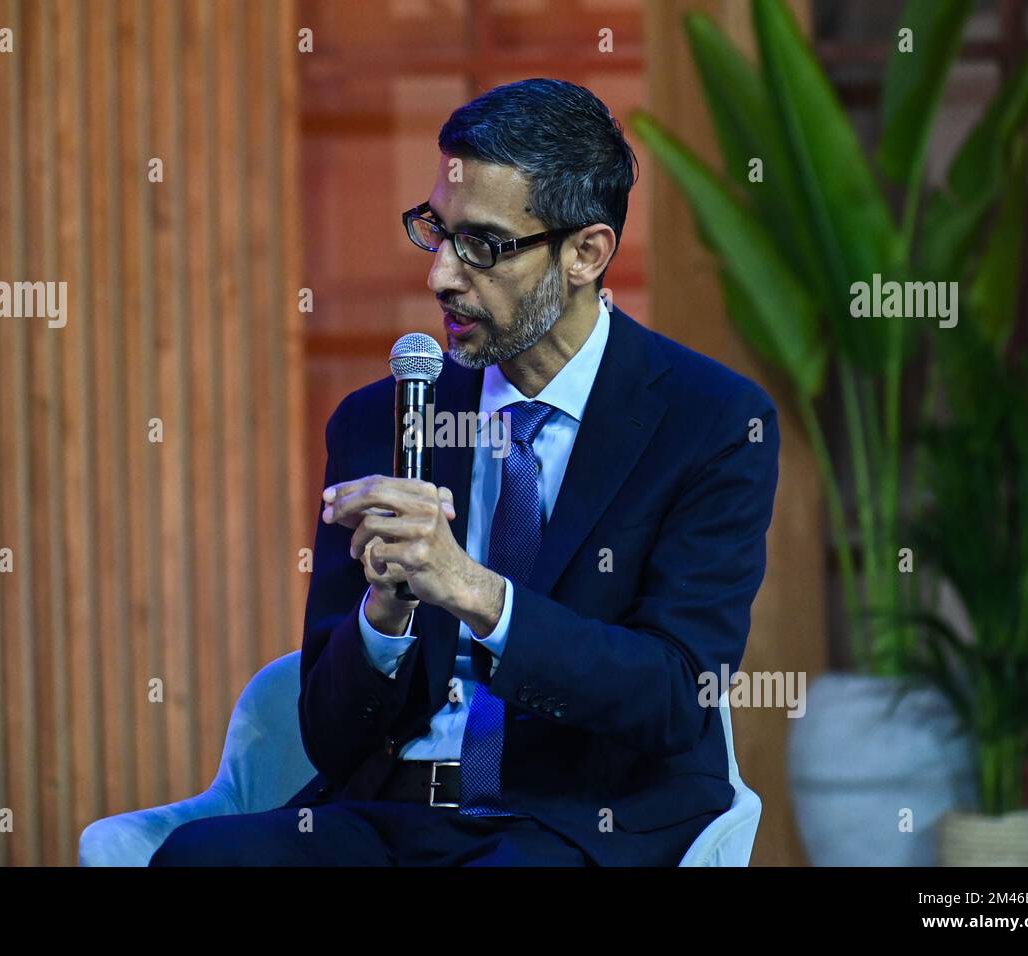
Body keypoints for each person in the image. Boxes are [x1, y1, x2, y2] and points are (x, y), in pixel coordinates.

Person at [150, 77, 779, 867]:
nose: (442, 276)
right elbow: (329, 732)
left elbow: (671, 693)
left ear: (585, 253)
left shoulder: (709, 420)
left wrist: (476, 593)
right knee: (199, 860)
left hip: (579, 823)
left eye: (482, 245)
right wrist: (384, 614)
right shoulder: (381, 419)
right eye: (435, 232)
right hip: (391, 815)